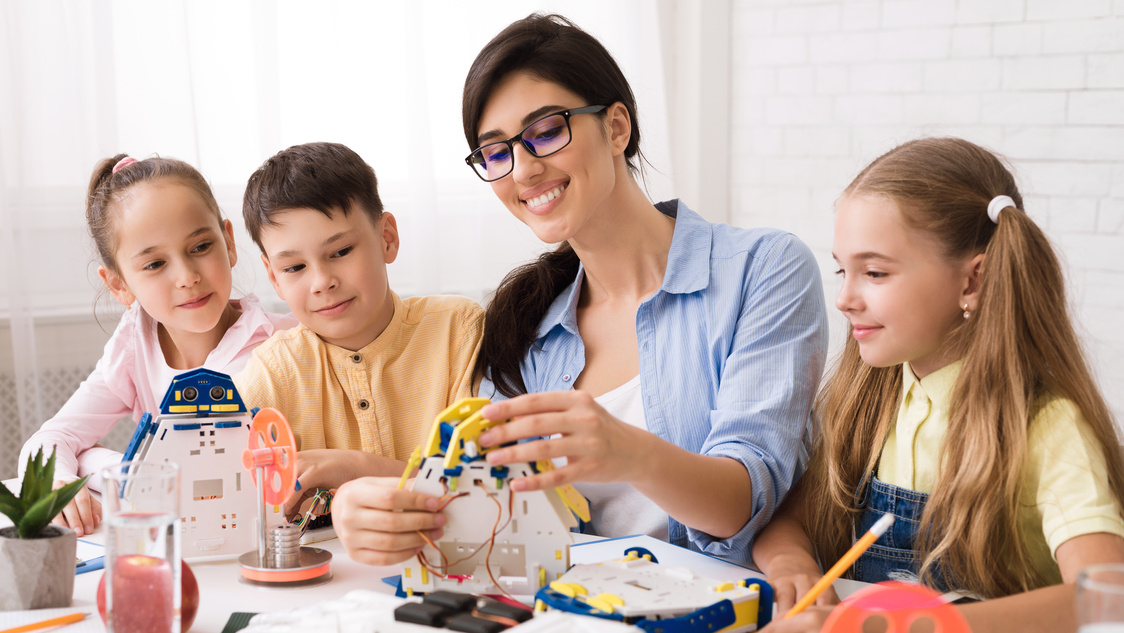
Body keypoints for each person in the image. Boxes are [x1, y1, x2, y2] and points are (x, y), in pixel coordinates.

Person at [332, 13, 827, 566]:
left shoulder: (764, 270)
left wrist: (629, 452)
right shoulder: (526, 321)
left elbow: (748, 502)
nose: (523, 170)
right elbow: (489, 508)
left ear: (617, 127)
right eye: (496, 153)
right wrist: (368, 503)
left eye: (545, 131)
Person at [751, 137, 1124, 632]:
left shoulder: (1048, 426)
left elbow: (1107, 596)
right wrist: (792, 569)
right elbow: (788, 522)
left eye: (875, 272)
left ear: (972, 282)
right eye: (844, 270)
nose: (843, 298)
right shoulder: (867, 402)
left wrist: (913, 626)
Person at [19, 154, 295, 537]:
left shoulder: (279, 345)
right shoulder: (136, 342)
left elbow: (200, 481)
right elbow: (51, 442)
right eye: (154, 265)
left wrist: (97, 461)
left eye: (200, 246)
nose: (187, 277)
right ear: (119, 284)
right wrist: (59, 483)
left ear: (229, 242)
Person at [234, 142, 484, 516]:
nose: (322, 282)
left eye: (340, 252)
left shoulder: (458, 331)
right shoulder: (272, 372)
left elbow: (489, 495)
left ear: (386, 238)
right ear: (273, 277)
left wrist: (359, 470)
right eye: (294, 268)